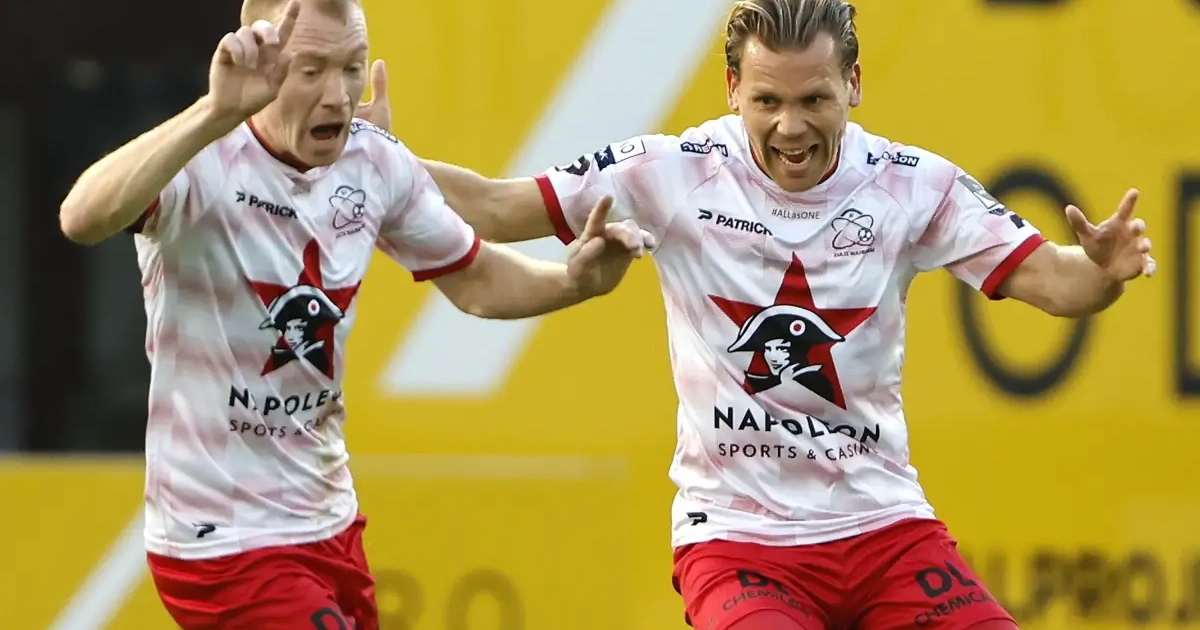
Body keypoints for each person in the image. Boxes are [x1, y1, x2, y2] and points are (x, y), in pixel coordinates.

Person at [362, 0, 1157, 628]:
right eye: (768, 100)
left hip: (884, 526)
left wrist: (1103, 271)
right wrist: (381, 161)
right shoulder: (672, 170)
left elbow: (1058, 286)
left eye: (814, 99)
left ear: (854, 84)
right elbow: (498, 209)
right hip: (738, 539)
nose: (791, 127)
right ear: (732, 89)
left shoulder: (913, 185)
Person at [57, 0, 654, 628]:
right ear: (261, 59)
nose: (339, 95)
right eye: (312, 69)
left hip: (329, 523)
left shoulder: (372, 162)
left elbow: (477, 279)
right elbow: (80, 218)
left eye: (352, 67)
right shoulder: (203, 161)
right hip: (220, 540)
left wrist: (573, 281)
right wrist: (212, 111)